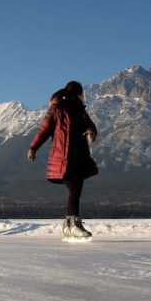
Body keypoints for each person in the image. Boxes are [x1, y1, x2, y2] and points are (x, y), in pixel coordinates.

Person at [28, 81, 99, 240]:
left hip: (79, 157)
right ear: (78, 93)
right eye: (82, 93)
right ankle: (74, 224)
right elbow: (44, 130)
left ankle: (69, 225)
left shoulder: (80, 110)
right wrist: (33, 148)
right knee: (74, 189)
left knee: (76, 190)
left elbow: (91, 125)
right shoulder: (56, 109)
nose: (83, 96)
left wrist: (91, 132)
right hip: (63, 157)